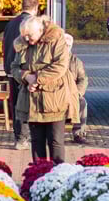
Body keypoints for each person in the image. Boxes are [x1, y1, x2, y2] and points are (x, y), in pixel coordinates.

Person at [12, 15, 79, 164]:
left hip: (55, 99)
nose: (28, 39)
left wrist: (37, 79)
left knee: (55, 141)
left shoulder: (57, 38)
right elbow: (14, 67)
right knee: (36, 141)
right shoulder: (22, 43)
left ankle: (58, 174)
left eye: (30, 36)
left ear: (41, 30)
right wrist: (26, 77)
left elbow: (60, 66)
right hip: (31, 101)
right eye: (25, 36)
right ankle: (38, 174)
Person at [3, 0, 39, 150]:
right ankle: (27, 137)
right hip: (26, 71)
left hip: (12, 69)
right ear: (36, 8)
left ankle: (19, 139)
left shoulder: (11, 23)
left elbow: (4, 44)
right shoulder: (31, 24)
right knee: (28, 105)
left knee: (16, 105)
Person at [65, 34, 89, 144]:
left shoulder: (76, 62)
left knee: (82, 102)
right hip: (55, 93)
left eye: (69, 45)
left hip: (72, 93)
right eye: (64, 45)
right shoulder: (51, 59)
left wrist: (78, 93)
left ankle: (79, 133)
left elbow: (83, 79)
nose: (66, 47)